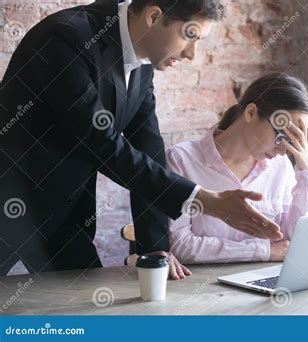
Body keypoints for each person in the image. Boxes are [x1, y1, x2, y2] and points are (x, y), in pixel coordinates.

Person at [0, 0, 281, 279]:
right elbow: (101, 143)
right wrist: (203, 199)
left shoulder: (143, 60)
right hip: (8, 203)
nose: (192, 54)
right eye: (190, 35)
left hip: (64, 217)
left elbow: (148, 148)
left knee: (91, 311)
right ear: (154, 16)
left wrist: (155, 249)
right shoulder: (64, 38)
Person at [167, 73, 308, 264]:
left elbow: (299, 241)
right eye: (282, 136)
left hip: (264, 284)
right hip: (200, 289)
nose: (283, 150)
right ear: (250, 113)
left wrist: (306, 171)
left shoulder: (280, 167)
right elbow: (181, 246)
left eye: (295, 141)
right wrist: (263, 251)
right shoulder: (181, 160)